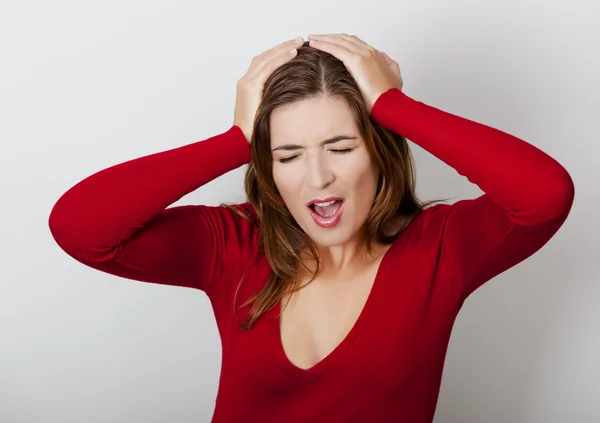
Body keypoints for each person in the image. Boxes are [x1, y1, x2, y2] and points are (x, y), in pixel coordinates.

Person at [48, 34, 575, 422]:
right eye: (288, 154)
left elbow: (545, 195)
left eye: (341, 148)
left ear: (380, 150)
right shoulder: (232, 244)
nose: (318, 177)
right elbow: (79, 228)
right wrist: (236, 139)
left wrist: (393, 106)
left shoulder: (440, 247)